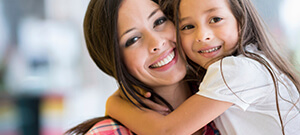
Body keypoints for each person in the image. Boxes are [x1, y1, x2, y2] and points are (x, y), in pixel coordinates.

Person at [106, 0, 300, 134]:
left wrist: (113, 104)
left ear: (241, 18)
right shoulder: (249, 62)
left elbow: (167, 131)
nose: (202, 36)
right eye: (187, 27)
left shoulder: (234, 70)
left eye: (215, 19)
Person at [65, 0, 220, 134]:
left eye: (159, 21)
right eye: (133, 39)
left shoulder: (226, 93)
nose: (157, 43)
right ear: (114, 61)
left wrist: (114, 103)